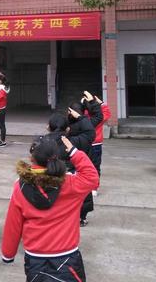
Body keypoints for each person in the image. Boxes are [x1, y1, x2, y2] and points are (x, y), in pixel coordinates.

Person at [1, 135, 99, 282]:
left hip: (35, 259)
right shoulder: (71, 183)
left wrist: (8, 254)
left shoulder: (20, 187)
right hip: (67, 257)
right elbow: (92, 177)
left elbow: (13, 224)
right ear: (57, 156)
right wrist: (74, 152)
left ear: (32, 157)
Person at [67, 91, 102, 227]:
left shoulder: (68, 127)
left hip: (71, 164)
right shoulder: (87, 125)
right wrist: (91, 102)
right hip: (85, 162)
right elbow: (99, 116)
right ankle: (82, 217)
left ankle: (70, 215)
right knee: (84, 191)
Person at [89, 95, 111, 195]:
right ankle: (94, 188)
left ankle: (84, 186)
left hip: (84, 144)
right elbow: (107, 113)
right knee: (95, 166)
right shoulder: (100, 117)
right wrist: (101, 103)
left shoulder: (83, 116)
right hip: (97, 144)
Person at [0, 72, 10, 147]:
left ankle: (2, 142)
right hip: (3, 108)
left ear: (0, 81)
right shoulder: (6, 87)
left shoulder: (0, 88)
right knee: (2, 125)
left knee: (1, 126)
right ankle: (2, 140)